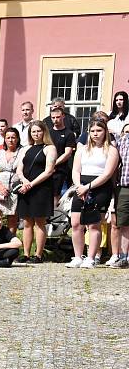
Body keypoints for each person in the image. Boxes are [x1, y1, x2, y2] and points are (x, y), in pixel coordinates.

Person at [65, 120, 119, 269]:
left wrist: (88, 187)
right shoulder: (82, 149)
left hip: (99, 187)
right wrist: (79, 186)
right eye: (93, 131)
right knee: (76, 223)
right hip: (81, 186)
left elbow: (107, 174)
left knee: (94, 224)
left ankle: (91, 257)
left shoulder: (111, 150)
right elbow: (75, 170)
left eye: (99, 131)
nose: (95, 134)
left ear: (105, 132)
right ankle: (77, 257)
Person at [15, 120, 58, 263]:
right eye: (33, 131)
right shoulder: (25, 149)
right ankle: (26, 254)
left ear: (44, 132)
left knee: (40, 222)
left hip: (41, 189)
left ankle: (38, 255)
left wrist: (31, 184)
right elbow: (19, 169)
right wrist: (24, 181)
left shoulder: (50, 148)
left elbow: (49, 171)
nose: (36, 134)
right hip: (26, 188)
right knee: (27, 222)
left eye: (38, 131)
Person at [0, 127, 22, 233]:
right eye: (8, 137)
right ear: (5, 139)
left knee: (12, 218)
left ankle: (10, 242)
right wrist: (0, 187)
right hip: (0, 189)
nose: (10, 140)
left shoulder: (21, 152)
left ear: (17, 139)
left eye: (13, 137)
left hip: (14, 189)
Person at [47, 106, 77, 205]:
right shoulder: (48, 133)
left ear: (63, 116)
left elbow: (67, 153)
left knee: (56, 194)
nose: (55, 120)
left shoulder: (69, 134)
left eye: (58, 117)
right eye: (53, 117)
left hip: (60, 170)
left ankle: (54, 216)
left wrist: (53, 164)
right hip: (46, 169)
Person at [109, 125, 129, 268]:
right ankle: (123, 256)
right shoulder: (122, 142)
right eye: (126, 131)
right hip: (124, 186)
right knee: (123, 223)